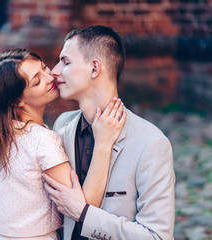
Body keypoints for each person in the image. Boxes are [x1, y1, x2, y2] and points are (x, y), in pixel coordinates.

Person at [0, 48, 126, 240]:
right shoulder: (42, 140)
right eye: (37, 81)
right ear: (17, 101)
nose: (50, 77)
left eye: (44, 67)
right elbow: (82, 206)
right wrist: (104, 143)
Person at [42, 25, 175, 239]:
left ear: (94, 68)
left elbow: (157, 236)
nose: (54, 71)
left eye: (65, 62)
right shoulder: (62, 126)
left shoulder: (151, 144)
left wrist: (84, 214)